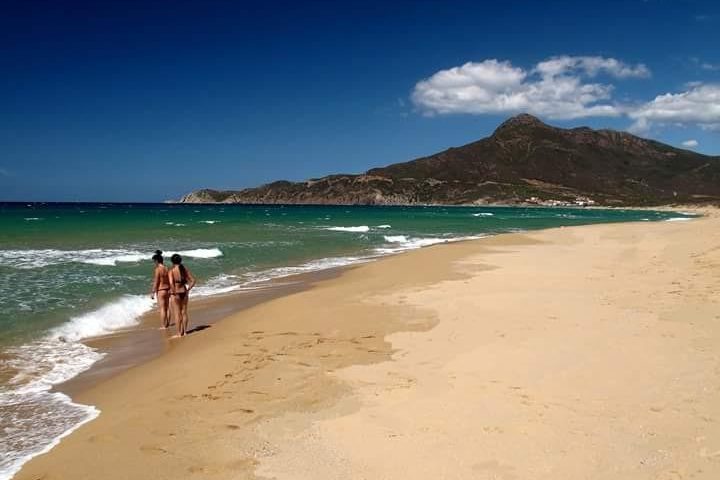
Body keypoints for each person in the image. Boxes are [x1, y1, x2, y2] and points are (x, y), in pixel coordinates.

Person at [168, 253, 196, 337]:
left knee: (177, 313)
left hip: (176, 292)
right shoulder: (184, 269)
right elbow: (193, 280)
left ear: (172, 261)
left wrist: (174, 292)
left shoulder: (171, 271)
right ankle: (185, 332)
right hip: (184, 291)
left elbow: (171, 283)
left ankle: (179, 333)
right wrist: (188, 289)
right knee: (184, 312)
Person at [150, 250, 171, 329]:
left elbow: (156, 281)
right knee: (167, 307)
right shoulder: (166, 268)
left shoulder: (158, 269)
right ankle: (167, 323)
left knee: (162, 309)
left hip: (161, 290)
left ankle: (163, 326)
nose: (154, 263)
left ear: (156, 261)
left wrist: (152, 292)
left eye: (154, 261)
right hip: (168, 289)